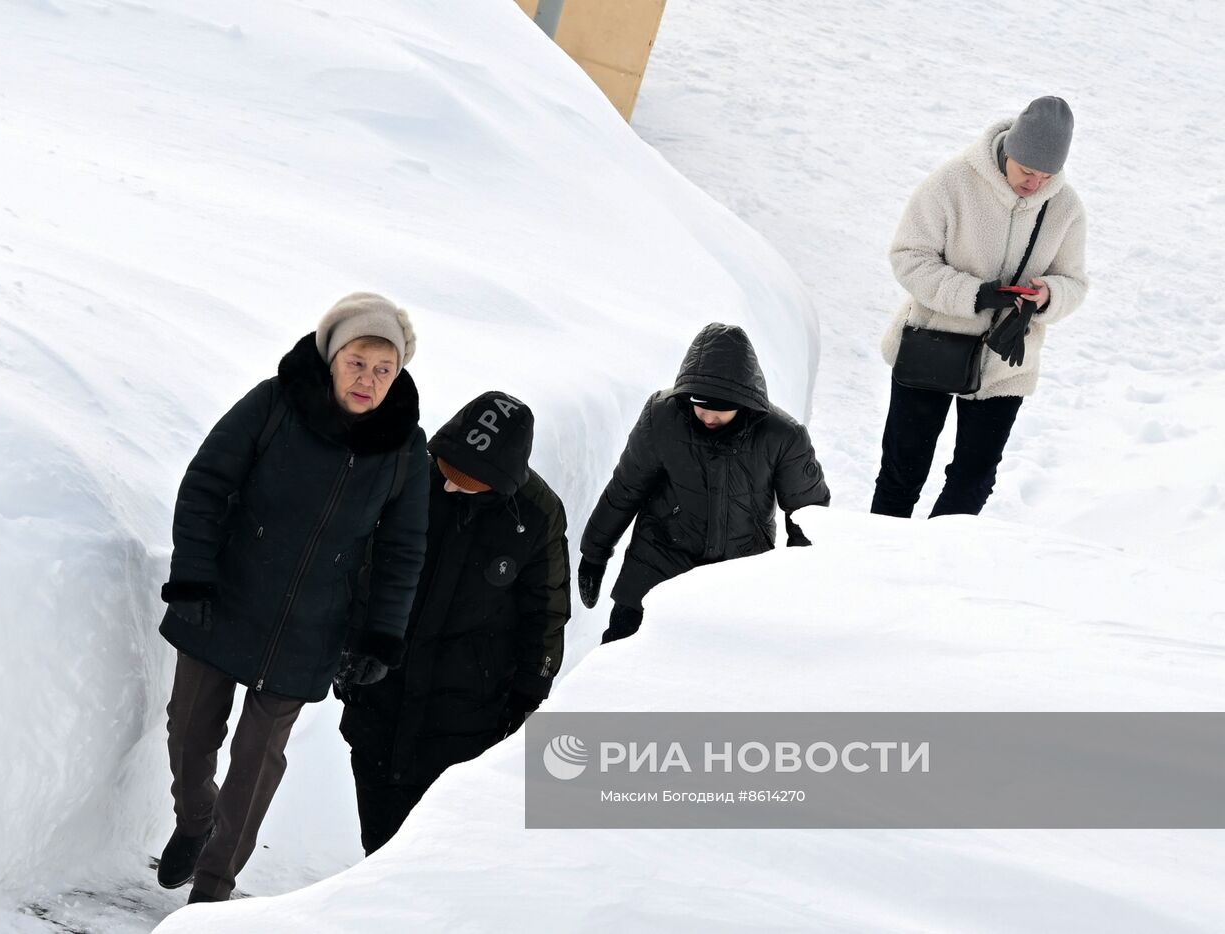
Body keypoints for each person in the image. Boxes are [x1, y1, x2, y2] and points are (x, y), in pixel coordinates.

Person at [154, 292, 429, 902]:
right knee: (189, 735)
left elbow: (402, 551)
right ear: (333, 356)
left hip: (312, 625)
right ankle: (194, 821)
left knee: (256, 762)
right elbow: (205, 483)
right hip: (224, 597)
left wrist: (381, 635)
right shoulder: (275, 403)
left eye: (384, 370)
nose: (369, 380)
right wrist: (195, 576)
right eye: (358, 362)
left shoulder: (405, 448)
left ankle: (213, 891)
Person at [339, 391, 570, 855]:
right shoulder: (410, 477)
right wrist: (347, 647)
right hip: (381, 686)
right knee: (378, 819)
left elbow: (545, 611)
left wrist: (529, 694)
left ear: (499, 482)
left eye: (463, 483)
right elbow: (358, 567)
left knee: (433, 836)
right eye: (444, 472)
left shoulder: (536, 515)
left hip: (468, 705)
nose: (447, 487)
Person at [872, 96, 1089, 518]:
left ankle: (936, 566)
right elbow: (908, 256)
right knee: (902, 473)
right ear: (1009, 152)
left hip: (1005, 362)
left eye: (1047, 175)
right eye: (1027, 171)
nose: (1035, 184)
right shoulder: (951, 183)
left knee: (975, 479)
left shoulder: (1065, 207)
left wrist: (1048, 295)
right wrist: (973, 295)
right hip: (931, 344)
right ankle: (875, 566)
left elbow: (1075, 282)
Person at [577, 323, 829, 642]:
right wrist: (594, 553)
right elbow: (626, 487)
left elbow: (809, 517)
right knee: (618, 666)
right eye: (700, 406)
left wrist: (800, 588)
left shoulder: (781, 436)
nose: (708, 417)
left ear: (744, 401)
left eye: (720, 410)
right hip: (656, 569)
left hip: (737, 580)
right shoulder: (662, 417)